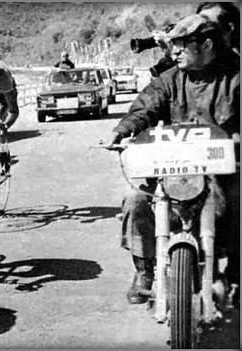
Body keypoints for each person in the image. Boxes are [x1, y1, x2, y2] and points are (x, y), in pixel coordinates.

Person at [104, 14, 240, 305]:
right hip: (173, 170)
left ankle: (237, 272)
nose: (174, 51)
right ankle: (144, 272)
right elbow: (145, 108)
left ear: (206, 44)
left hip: (223, 171)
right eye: (172, 45)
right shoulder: (169, 79)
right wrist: (122, 130)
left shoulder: (235, 77)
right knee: (134, 200)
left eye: (182, 44)